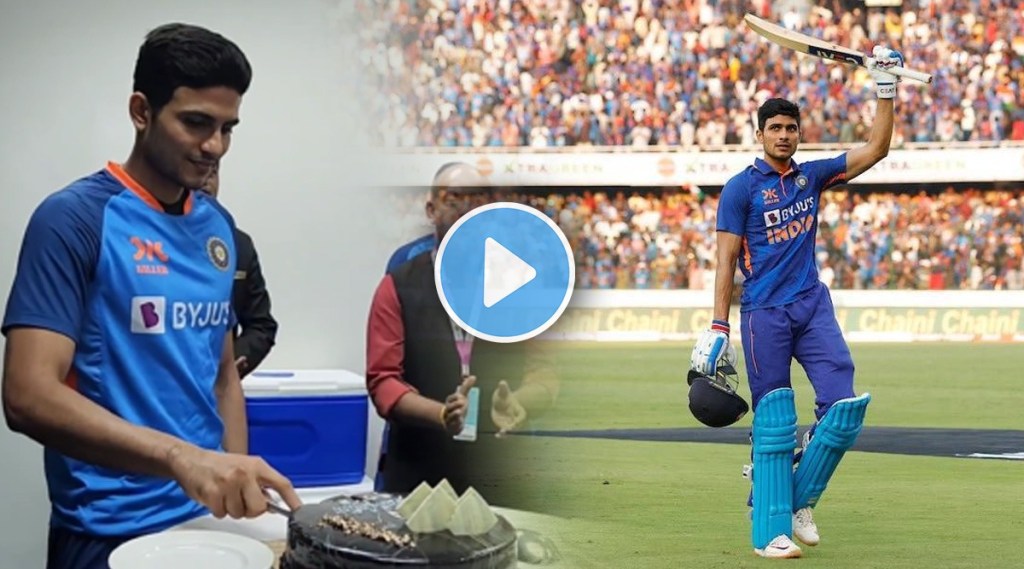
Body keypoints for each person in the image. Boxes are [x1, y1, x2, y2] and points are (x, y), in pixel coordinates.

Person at [0, 23, 301, 569]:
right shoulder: (74, 219)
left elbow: (222, 375)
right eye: (196, 123)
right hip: (107, 529)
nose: (215, 146)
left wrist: (234, 480)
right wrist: (182, 458)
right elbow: (27, 395)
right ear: (141, 111)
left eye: (228, 128)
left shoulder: (217, 227)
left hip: (205, 523)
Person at [689, 46, 905, 559]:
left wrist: (885, 88)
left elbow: (876, 148)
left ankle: (800, 496)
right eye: (775, 128)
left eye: (791, 128)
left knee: (843, 409)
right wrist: (718, 325)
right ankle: (770, 532)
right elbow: (725, 260)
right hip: (764, 313)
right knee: (775, 420)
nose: (784, 135)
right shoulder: (740, 189)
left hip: (812, 305)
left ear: (799, 134)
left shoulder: (813, 177)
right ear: (759, 134)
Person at [365, 162, 559, 504]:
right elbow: (383, 381)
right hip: (416, 476)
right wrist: (440, 414)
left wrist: (520, 402)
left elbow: (544, 374)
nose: (467, 209)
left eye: (478, 200)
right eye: (455, 199)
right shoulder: (397, 285)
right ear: (431, 209)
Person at [199, 165, 279, 378]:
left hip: (219, 387)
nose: (206, 180)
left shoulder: (239, 244)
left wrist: (230, 364)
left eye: (213, 172)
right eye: (198, 169)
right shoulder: (148, 242)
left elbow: (261, 325)